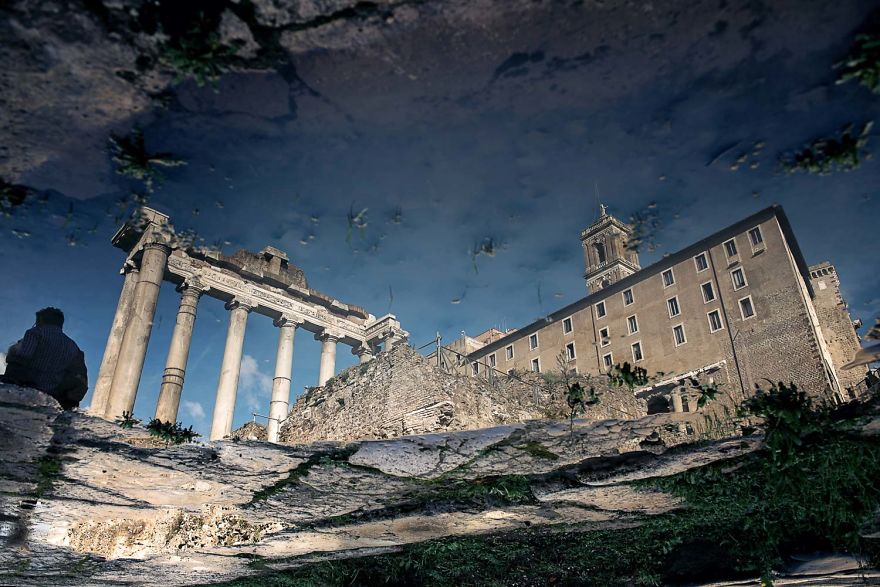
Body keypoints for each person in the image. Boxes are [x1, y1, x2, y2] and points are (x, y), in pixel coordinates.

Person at [1, 307, 88, 409]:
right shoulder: (73, 347)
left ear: (41, 320)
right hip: (50, 399)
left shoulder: (35, 333)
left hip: (24, 392)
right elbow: (80, 379)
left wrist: (13, 350)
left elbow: (21, 358)